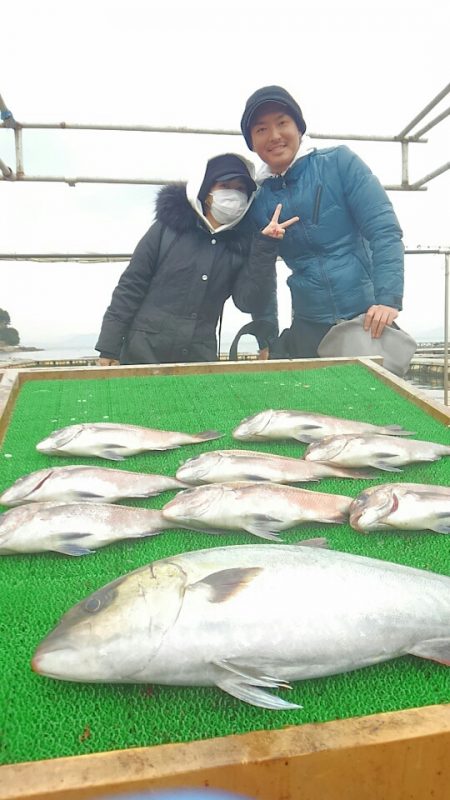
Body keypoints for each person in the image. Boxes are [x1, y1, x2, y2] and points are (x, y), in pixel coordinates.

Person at [240, 85, 405, 358]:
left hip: (366, 315)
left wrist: (387, 299)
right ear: (252, 143)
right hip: (308, 322)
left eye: (282, 123)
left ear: (299, 128)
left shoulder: (340, 163)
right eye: (261, 130)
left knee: (376, 399)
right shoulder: (257, 201)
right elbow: (263, 274)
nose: (275, 136)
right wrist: (265, 338)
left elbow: (384, 230)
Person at [95, 153, 297, 365]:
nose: (234, 194)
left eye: (240, 189)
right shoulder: (166, 229)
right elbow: (131, 286)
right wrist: (109, 347)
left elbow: (247, 301)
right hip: (142, 352)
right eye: (225, 185)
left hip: (199, 357)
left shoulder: (242, 245)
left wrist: (265, 247)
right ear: (207, 191)